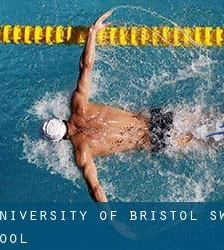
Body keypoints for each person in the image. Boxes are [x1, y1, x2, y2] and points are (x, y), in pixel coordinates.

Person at [41, 11, 193, 202]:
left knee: (211, 141)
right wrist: (92, 33)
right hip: (155, 118)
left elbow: (95, 189)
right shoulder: (78, 105)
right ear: (59, 119)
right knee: (209, 118)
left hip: (154, 140)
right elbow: (86, 66)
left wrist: (111, 220)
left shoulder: (82, 152)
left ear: (59, 140)